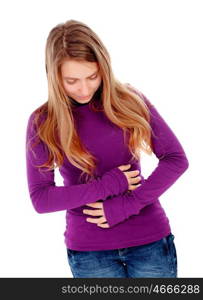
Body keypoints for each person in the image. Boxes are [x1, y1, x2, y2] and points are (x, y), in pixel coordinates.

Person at [25, 19, 189, 278]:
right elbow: (41, 199)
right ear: (54, 77)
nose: (84, 88)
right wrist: (107, 186)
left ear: (104, 67)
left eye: (92, 76)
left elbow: (176, 159)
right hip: (90, 253)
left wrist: (127, 203)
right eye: (71, 80)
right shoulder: (43, 121)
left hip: (149, 242)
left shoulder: (129, 100)